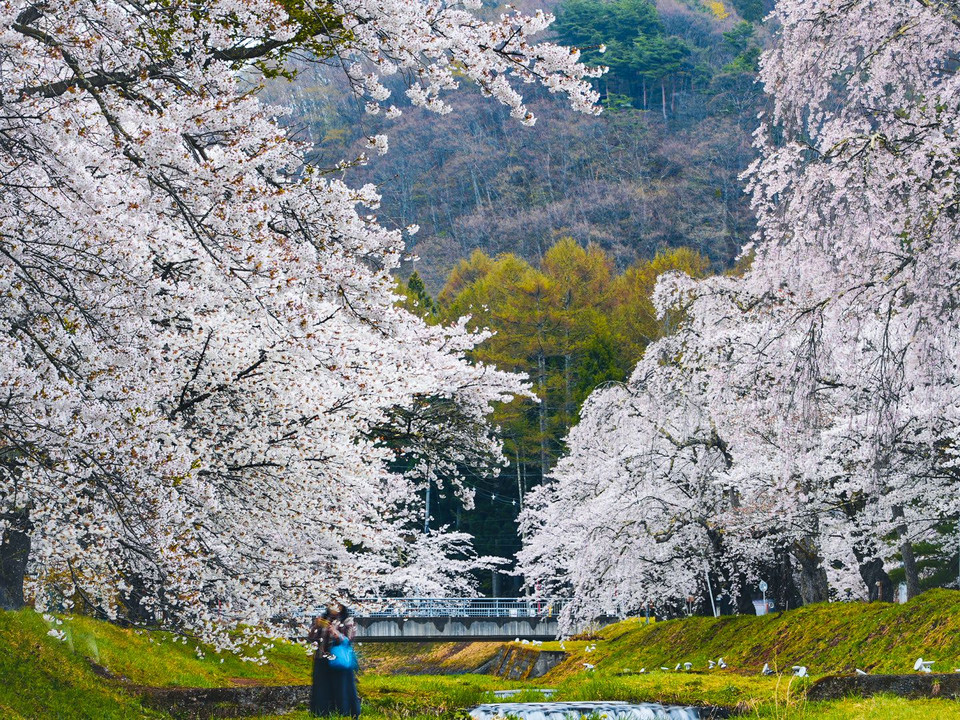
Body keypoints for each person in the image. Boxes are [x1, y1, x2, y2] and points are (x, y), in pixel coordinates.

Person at [308, 601, 361, 718]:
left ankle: (345, 713)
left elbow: (349, 639)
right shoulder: (322, 619)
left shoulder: (347, 621)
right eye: (331, 604)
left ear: (342, 606)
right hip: (322, 659)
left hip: (339, 660)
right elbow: (312, 638)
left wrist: (335, 632)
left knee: (341, 687)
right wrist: (316, 626)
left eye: (337, 604)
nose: (333, 607)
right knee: (322, 687)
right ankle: (321, 713)